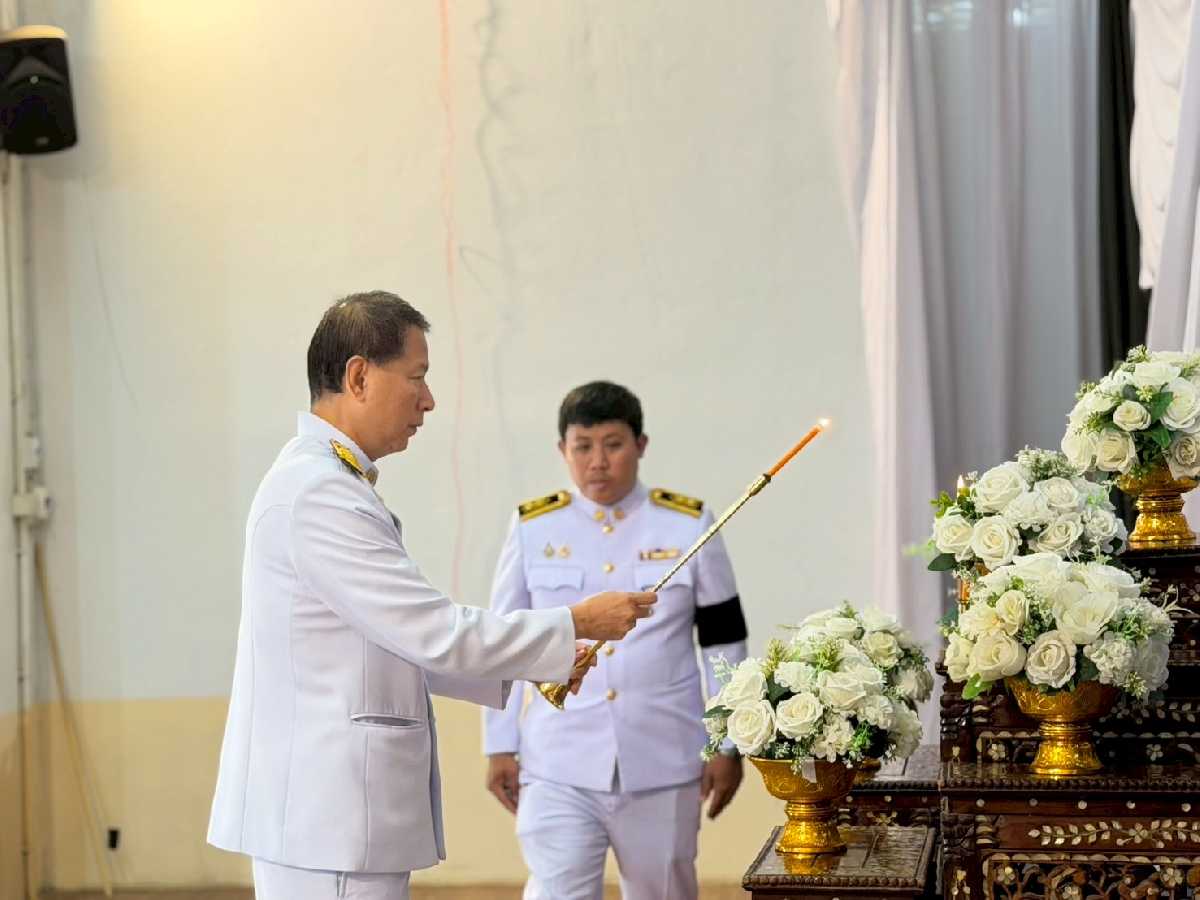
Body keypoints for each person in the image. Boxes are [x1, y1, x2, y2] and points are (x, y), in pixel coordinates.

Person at [207, 293, 656, 900]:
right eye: (416, 377)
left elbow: (398, 641)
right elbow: (432, 631)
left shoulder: (330, 481)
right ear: (359, 377)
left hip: (333, 812)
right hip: (326, 813)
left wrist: (536, 664)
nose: (429, 399)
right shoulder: (320, 493)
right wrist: (575, 622)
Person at [483, 380, 749, 900]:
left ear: (640, 445)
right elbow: (503, 641)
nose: (598, 462)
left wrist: (727, 743)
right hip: (557, 759)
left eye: (613, 444)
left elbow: (724, 644)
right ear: (562, 450)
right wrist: (499, 744)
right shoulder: (533, 527)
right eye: (582, 446)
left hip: (663, 757)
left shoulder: (688, 524)